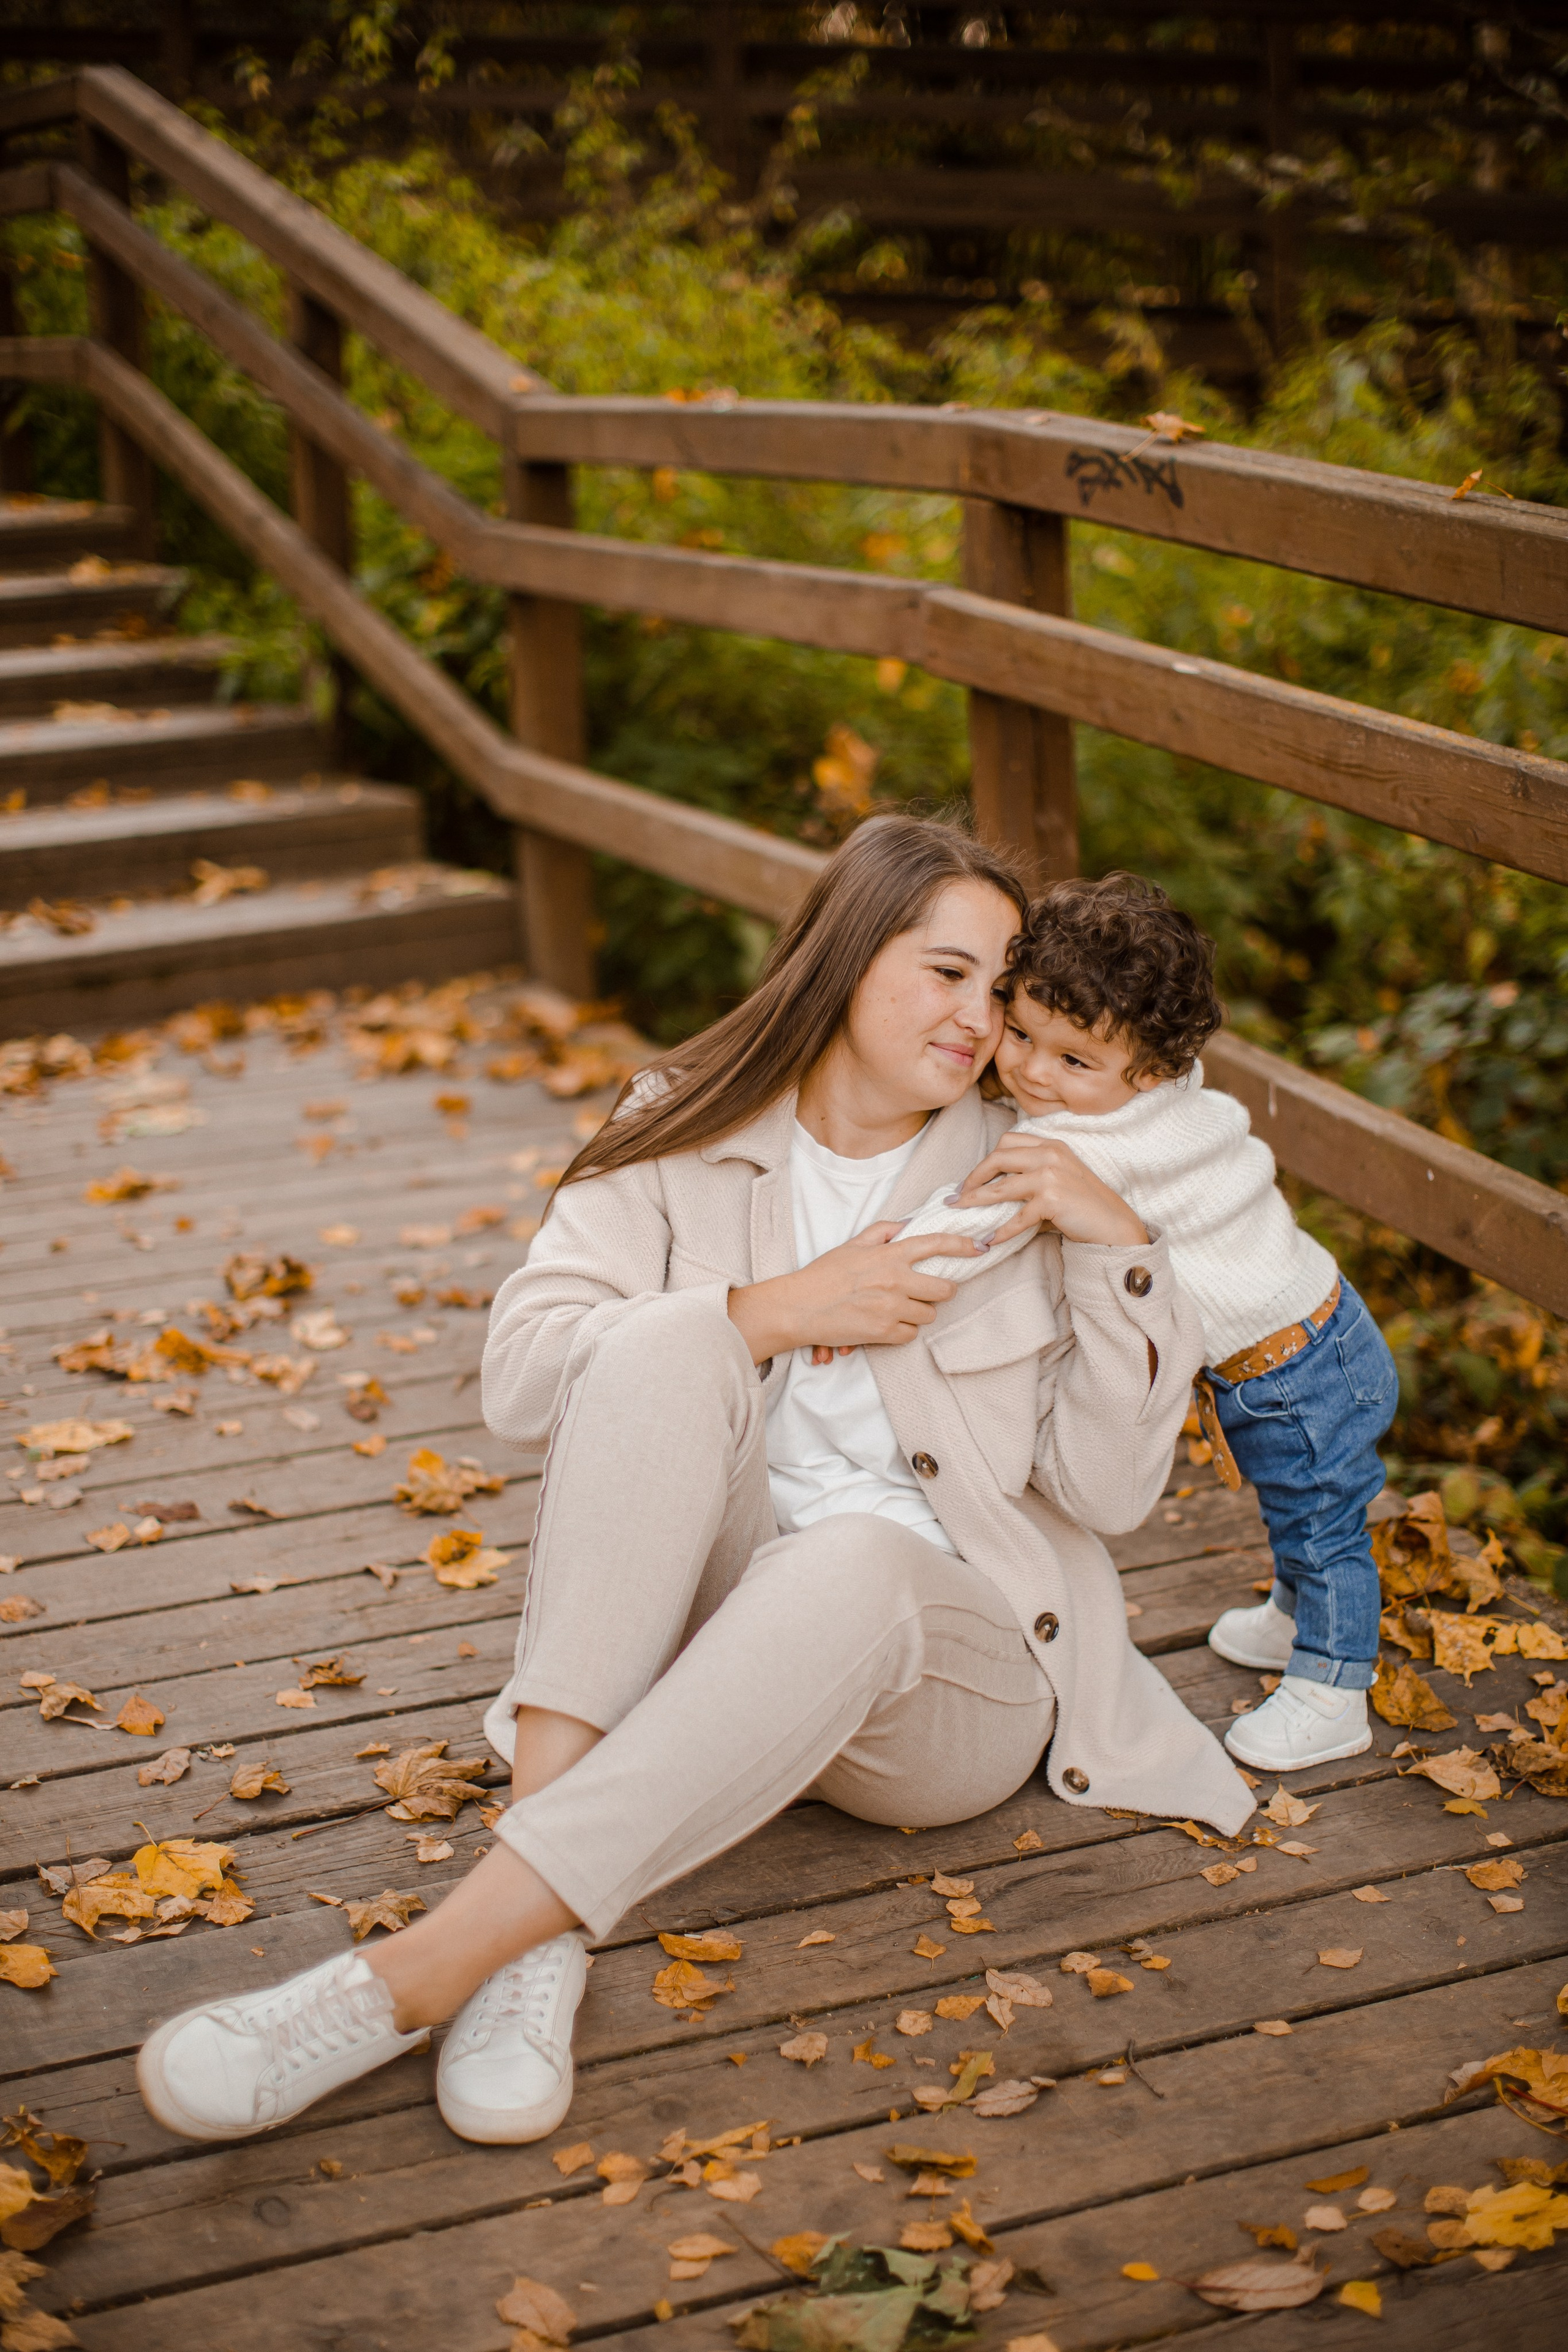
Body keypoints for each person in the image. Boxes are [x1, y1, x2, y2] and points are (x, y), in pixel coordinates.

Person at [135, 817, 1251, 2150]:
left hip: (952, 1681)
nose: (979, 1017)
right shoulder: (679, 1123)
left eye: (1000, 986)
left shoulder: (1026, 1176)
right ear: (847, 954)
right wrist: (772, 1309)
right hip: (727, 1630)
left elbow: (1109, 1495)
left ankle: (415, 1977)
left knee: (847, 1560)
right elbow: (526, 1375)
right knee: (668, 1331)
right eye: (945, 971)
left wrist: (1113, 1249)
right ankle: (534, 1951)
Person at [897, 872, 1399, 1774]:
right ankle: (1297, 1619)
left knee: (1324, 1525)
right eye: (1020, 1035)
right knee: (1302, 1513)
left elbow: (982, 1221)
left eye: (1072, 1062)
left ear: (1151, 1071)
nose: (1030, 1072)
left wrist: (888, 1265)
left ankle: (1335, 1684)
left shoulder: (1095, 1146)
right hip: (1320, 1331)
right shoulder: (1158, 1096)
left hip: (1296, 1370)